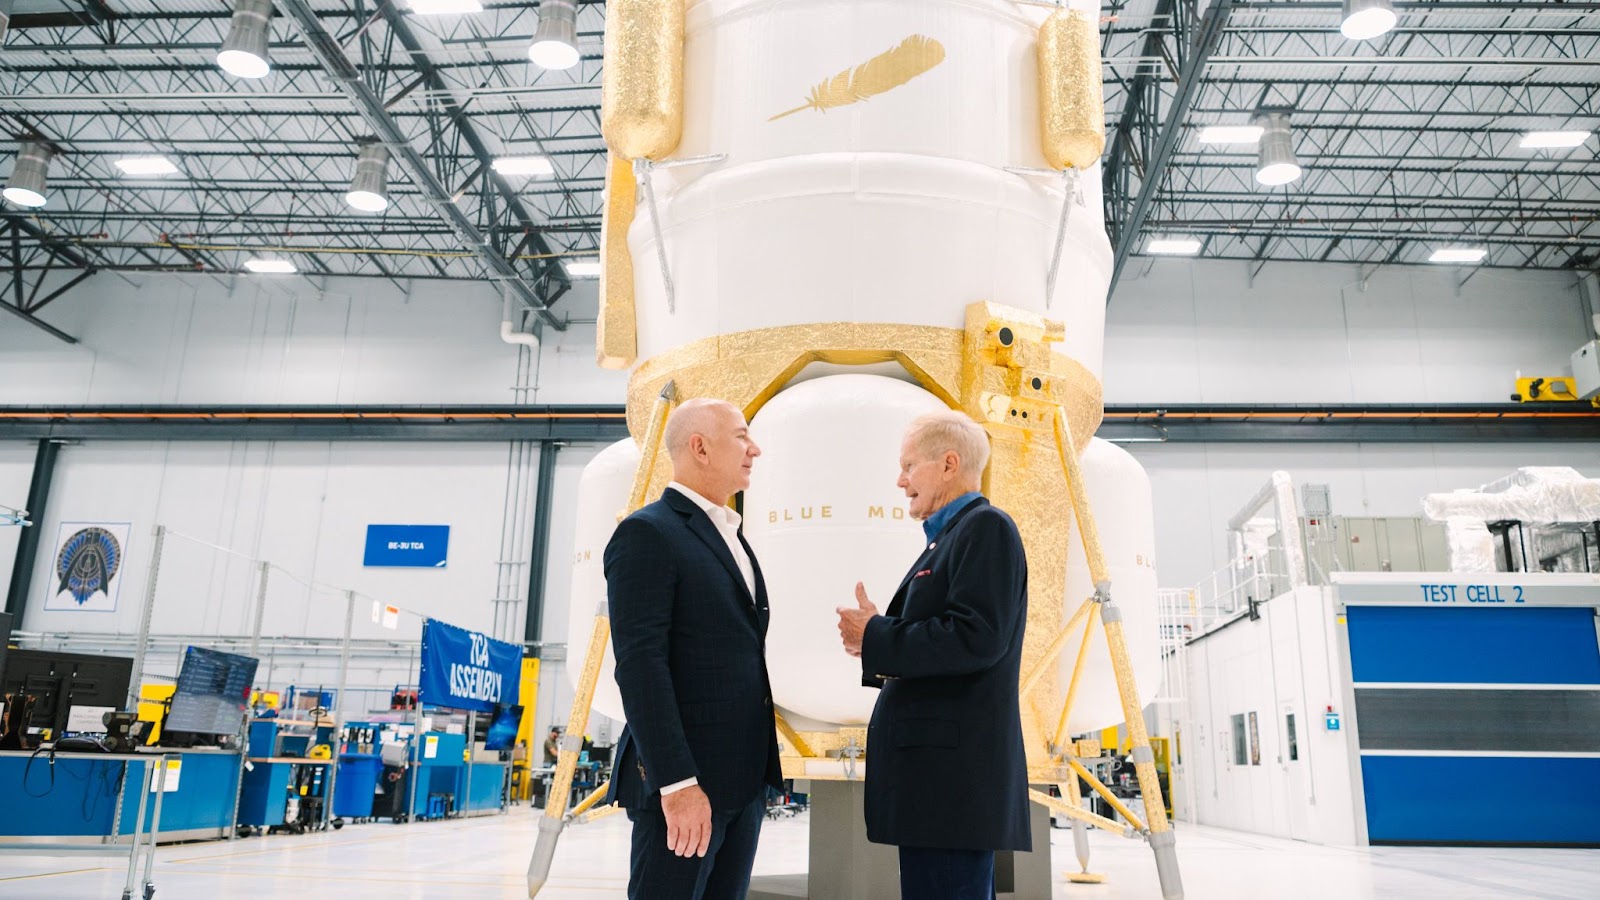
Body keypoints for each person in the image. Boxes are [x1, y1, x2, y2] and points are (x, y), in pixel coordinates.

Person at [836, 410, 1032, 900]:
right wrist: (878, 635)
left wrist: (879, 634)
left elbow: (976, 638)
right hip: (940, 790)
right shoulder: (949, 540)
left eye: (908, 466)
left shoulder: (985, 528)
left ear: (949, 464)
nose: (900, 481)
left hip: (952, 791)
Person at [606, 398, 783, 900]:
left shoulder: (732, 536)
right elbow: (641, 667)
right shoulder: (648, 532)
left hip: (740, 786)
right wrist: (677, 784)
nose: (756, 449)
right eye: (742, 436)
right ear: (699, 447)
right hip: (687, 787)